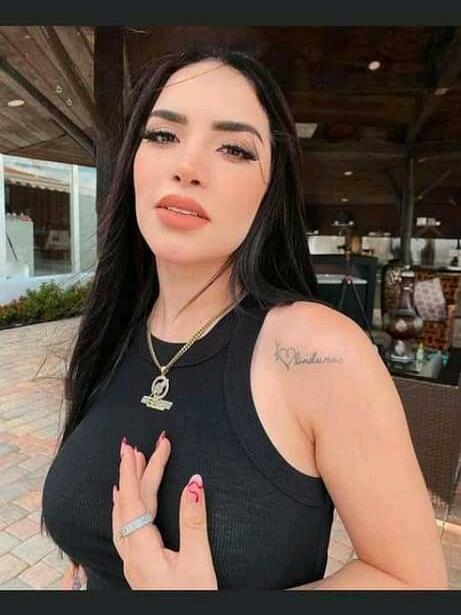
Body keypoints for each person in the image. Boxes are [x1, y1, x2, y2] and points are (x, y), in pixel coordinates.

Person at [41, 46, 448, 590]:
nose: (187, 167)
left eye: (233, 148)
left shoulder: (318, 351)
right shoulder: (110, 333)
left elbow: (412, 581)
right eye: (162, 135)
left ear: (270, 189)